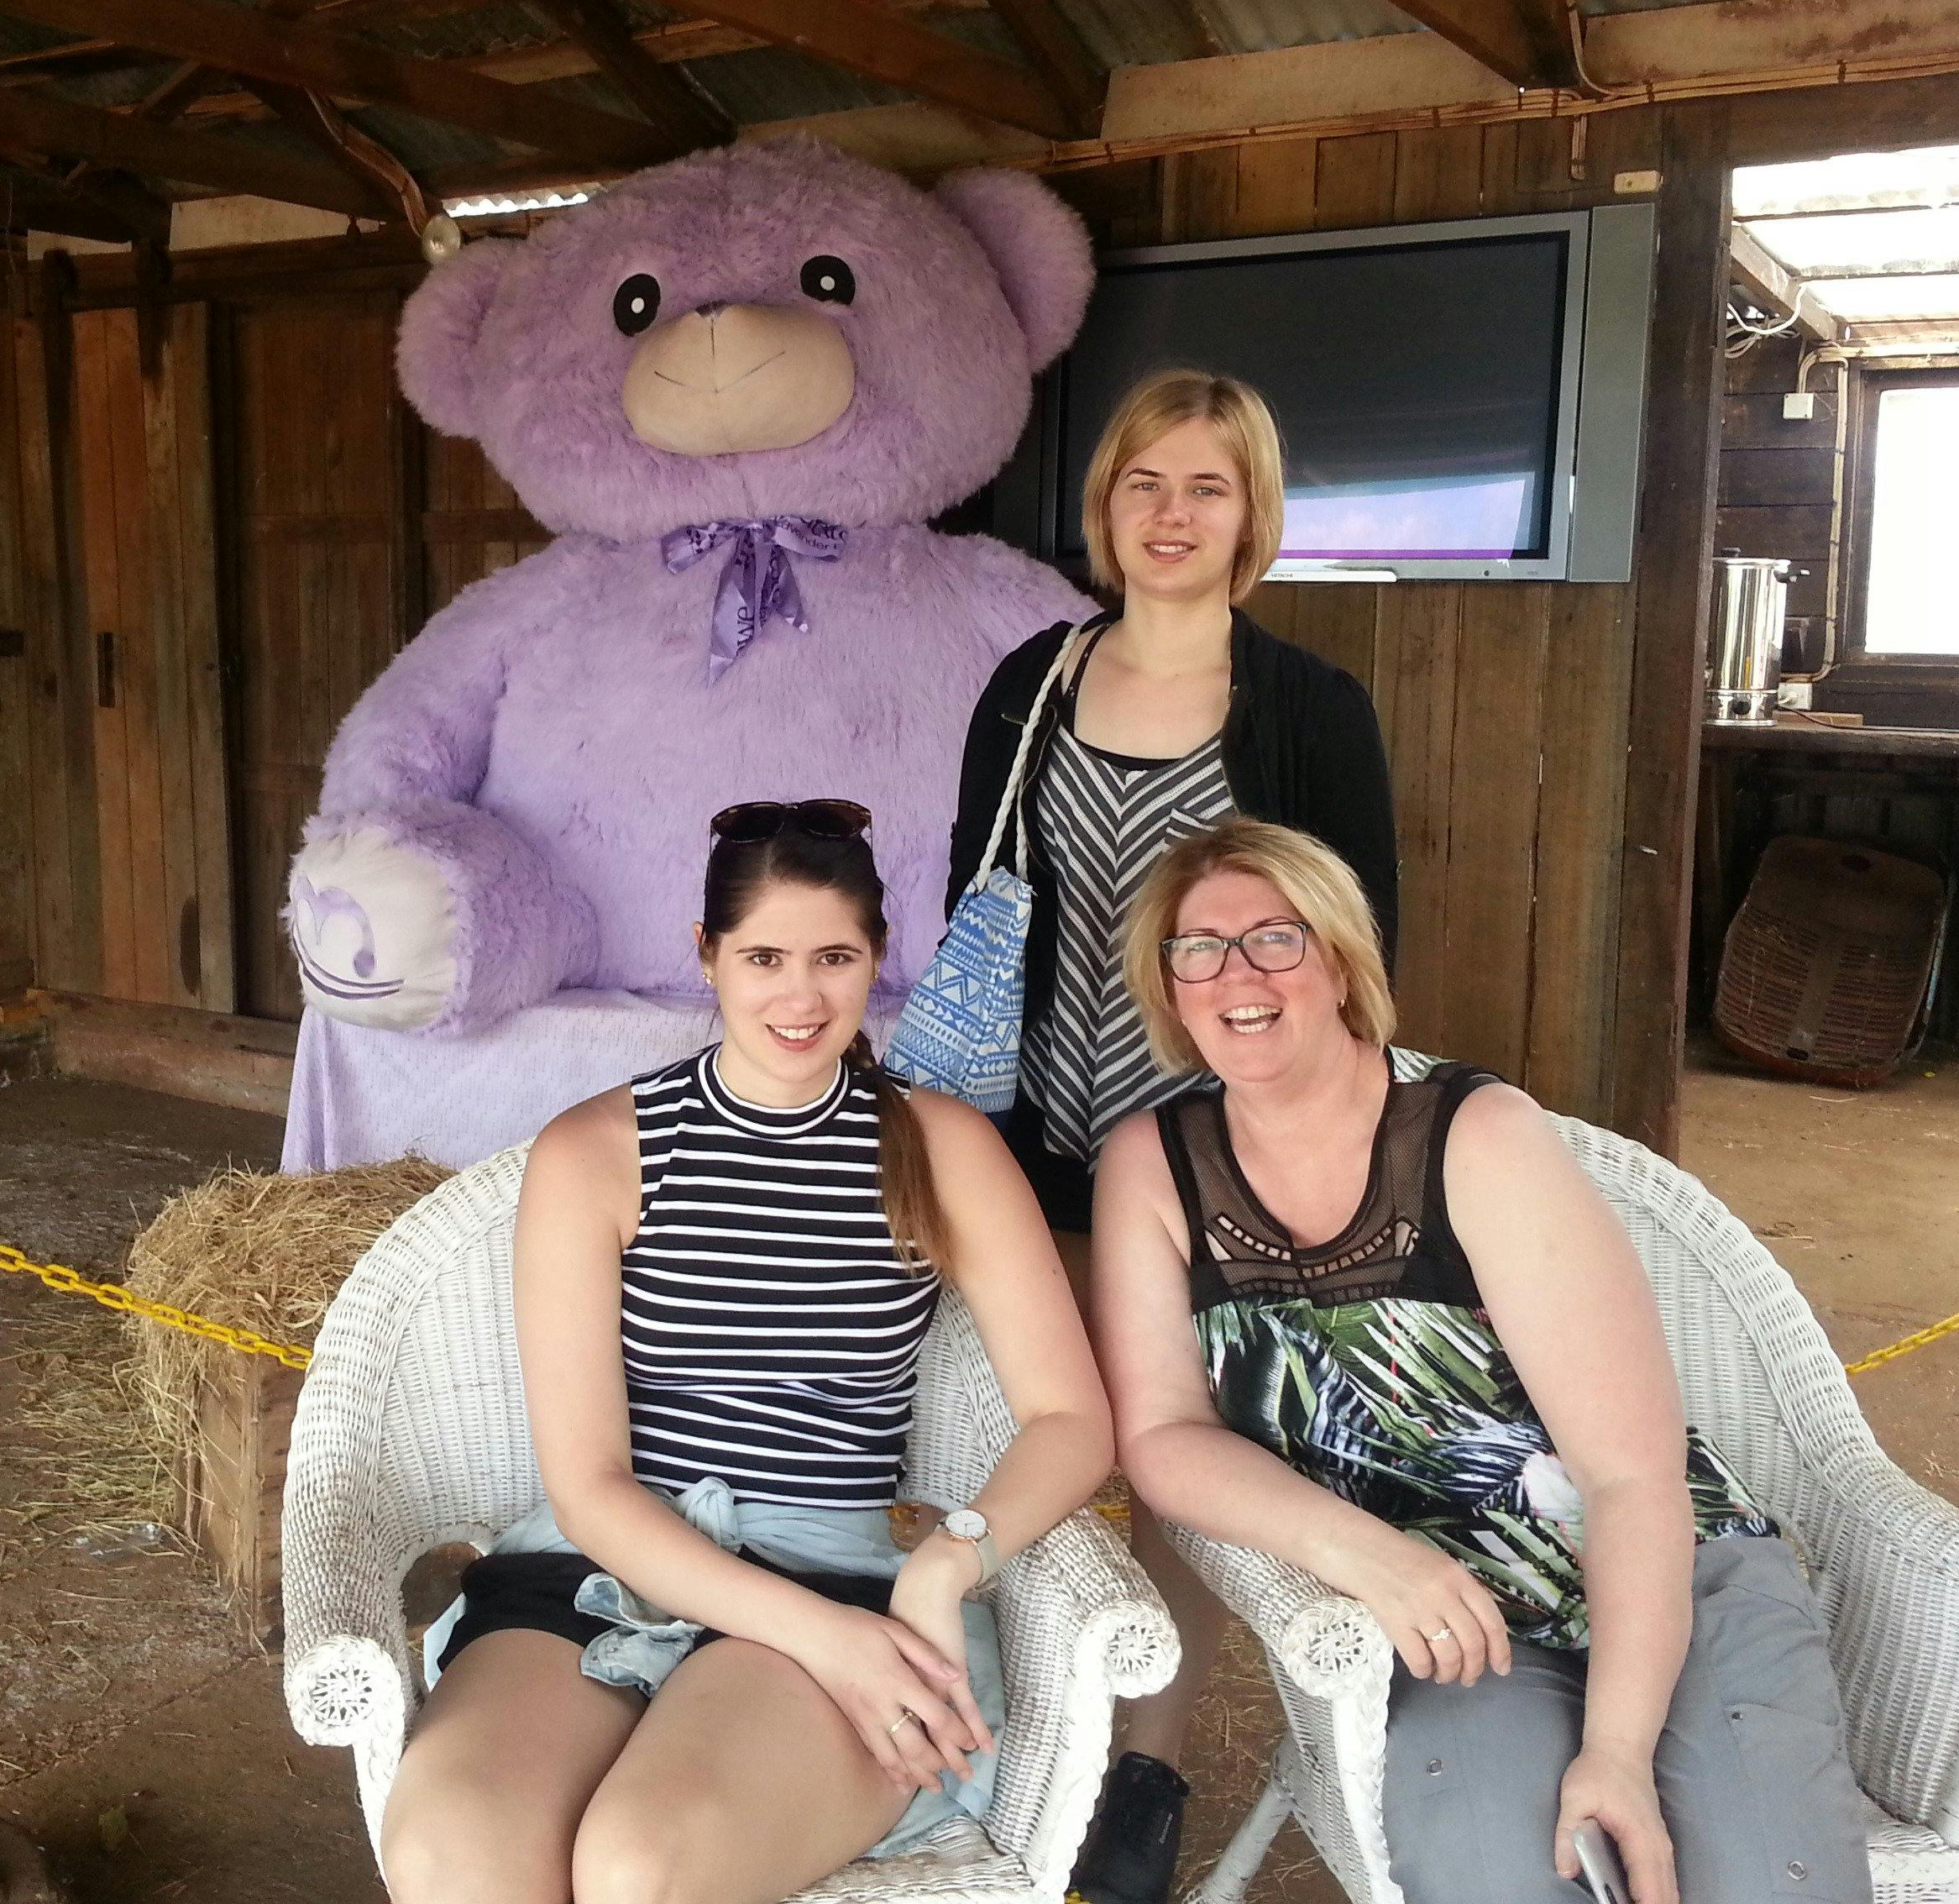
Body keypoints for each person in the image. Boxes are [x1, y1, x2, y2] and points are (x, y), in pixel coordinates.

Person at [1092, 818, 1877, 1904]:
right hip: (1453, 1615)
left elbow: (1630, 1476)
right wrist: (1370, 1556)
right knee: (1492, 1875)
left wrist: (1616, 1752)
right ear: (1168, 987)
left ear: (1342, 963)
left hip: (1664, 1575)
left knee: (1761, 1881)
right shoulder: (1156, 1165)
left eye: (1276, 938)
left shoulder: (1474, 1135)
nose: (1237, 973)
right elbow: (1164, 1438)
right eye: (1199, 949)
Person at [381, 799, 1113, 1904]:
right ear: (707, 956)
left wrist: (948, 1562)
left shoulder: (939, 1148)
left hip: (836, 1574)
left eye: (835, 956)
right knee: (456, 1854)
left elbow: (1071, 1419)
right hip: (603, 1569)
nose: (800, 993)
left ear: (877, 962)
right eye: (764, 955)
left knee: (641, 1870)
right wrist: (816, 1636)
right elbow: (587, 1485)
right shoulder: (598, 1152)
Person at [944, 368, 1397, 1901]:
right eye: (1145, 484)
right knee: (1038, 1441)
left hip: (1210, 1159)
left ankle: (1145, 1770)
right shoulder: (1030, 685)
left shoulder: (1313, 710)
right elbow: (970, 915)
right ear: (1107, 507)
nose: (1172, 515)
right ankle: (1028, 1731)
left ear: (1251, 514)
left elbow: (1351, 951)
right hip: (1028, 1143)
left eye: (1206, 487)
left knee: (1176, 1452)